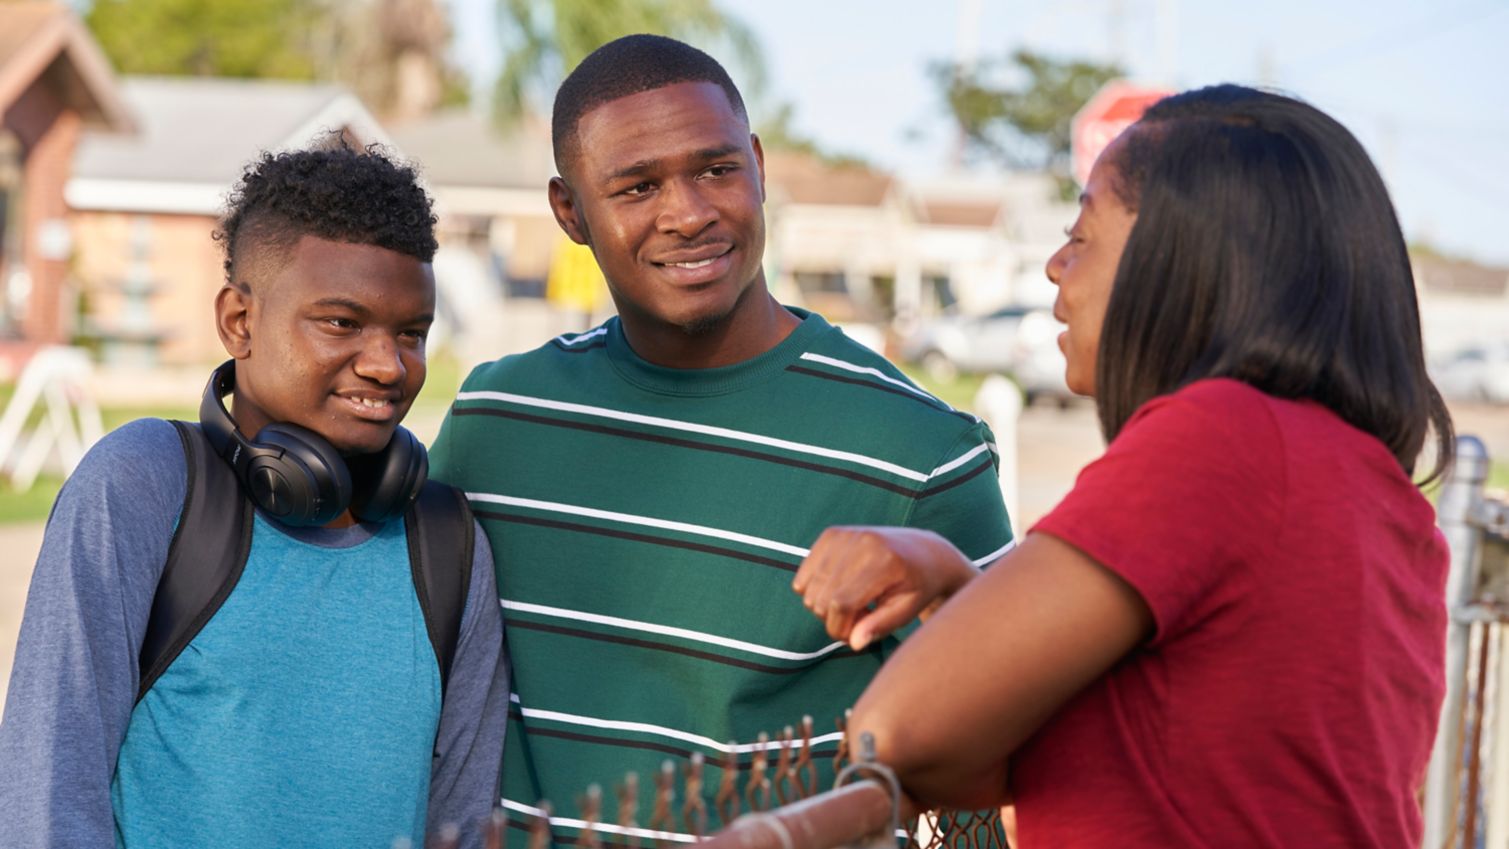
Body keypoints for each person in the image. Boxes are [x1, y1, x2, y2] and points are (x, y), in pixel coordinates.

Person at [794, 85, 1454, 848]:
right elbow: (1112, 750)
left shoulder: (1221, 441)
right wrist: (951, 580)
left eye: (1082, 234)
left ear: (1183, 263)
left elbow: (897, 738)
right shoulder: (1371, 490)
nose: (1052, 266)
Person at [428, 34, 1013, 843]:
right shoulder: (497, 421)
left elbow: (994, 757)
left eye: (715, 169)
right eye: (636, 186)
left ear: (760, 165)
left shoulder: (919, 453)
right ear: (570, 213)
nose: (689, 213)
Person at [0, 144, 509, 849]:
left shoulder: (447, 542)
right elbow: (46, 801)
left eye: (411, 333)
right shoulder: (144, 484)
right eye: (341, 322)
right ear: (239, 321)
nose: (387, 364)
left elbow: (462, 825)